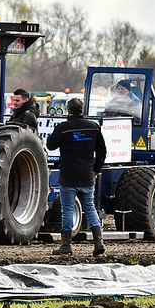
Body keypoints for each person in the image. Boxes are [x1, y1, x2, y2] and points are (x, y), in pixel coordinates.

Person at [46, 97, 107, 256]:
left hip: (68, 176)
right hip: (87, 175)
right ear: (82, 110)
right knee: (90, 208)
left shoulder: (64, 128)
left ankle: (66, 245)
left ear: (68, 111)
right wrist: (96, 168)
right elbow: (102, 151)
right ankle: (98, 242)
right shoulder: (93, 127)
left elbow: (50, 145)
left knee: (67, 210)